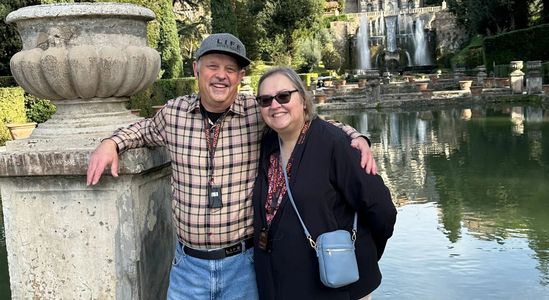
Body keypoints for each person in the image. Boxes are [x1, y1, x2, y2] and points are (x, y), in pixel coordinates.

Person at [86, 33, 376, 299]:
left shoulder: (257, 111)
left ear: (240, 76)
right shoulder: (174, 114)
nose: (221, 76)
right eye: (213, 66)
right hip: (189, 267)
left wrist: (356, 137)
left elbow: (308, 124)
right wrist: (111, 143)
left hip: (244, 266)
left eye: (231, 69)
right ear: (196, 68)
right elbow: (142, 130)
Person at [252, 67, 397, 300]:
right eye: (265, 100)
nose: (275, 105)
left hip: (336, 288)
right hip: (282, 285)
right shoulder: (267, 145)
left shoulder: (335, 144)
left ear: (303, 100)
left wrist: (360, 253)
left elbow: (382, 209)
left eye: (283, 96)